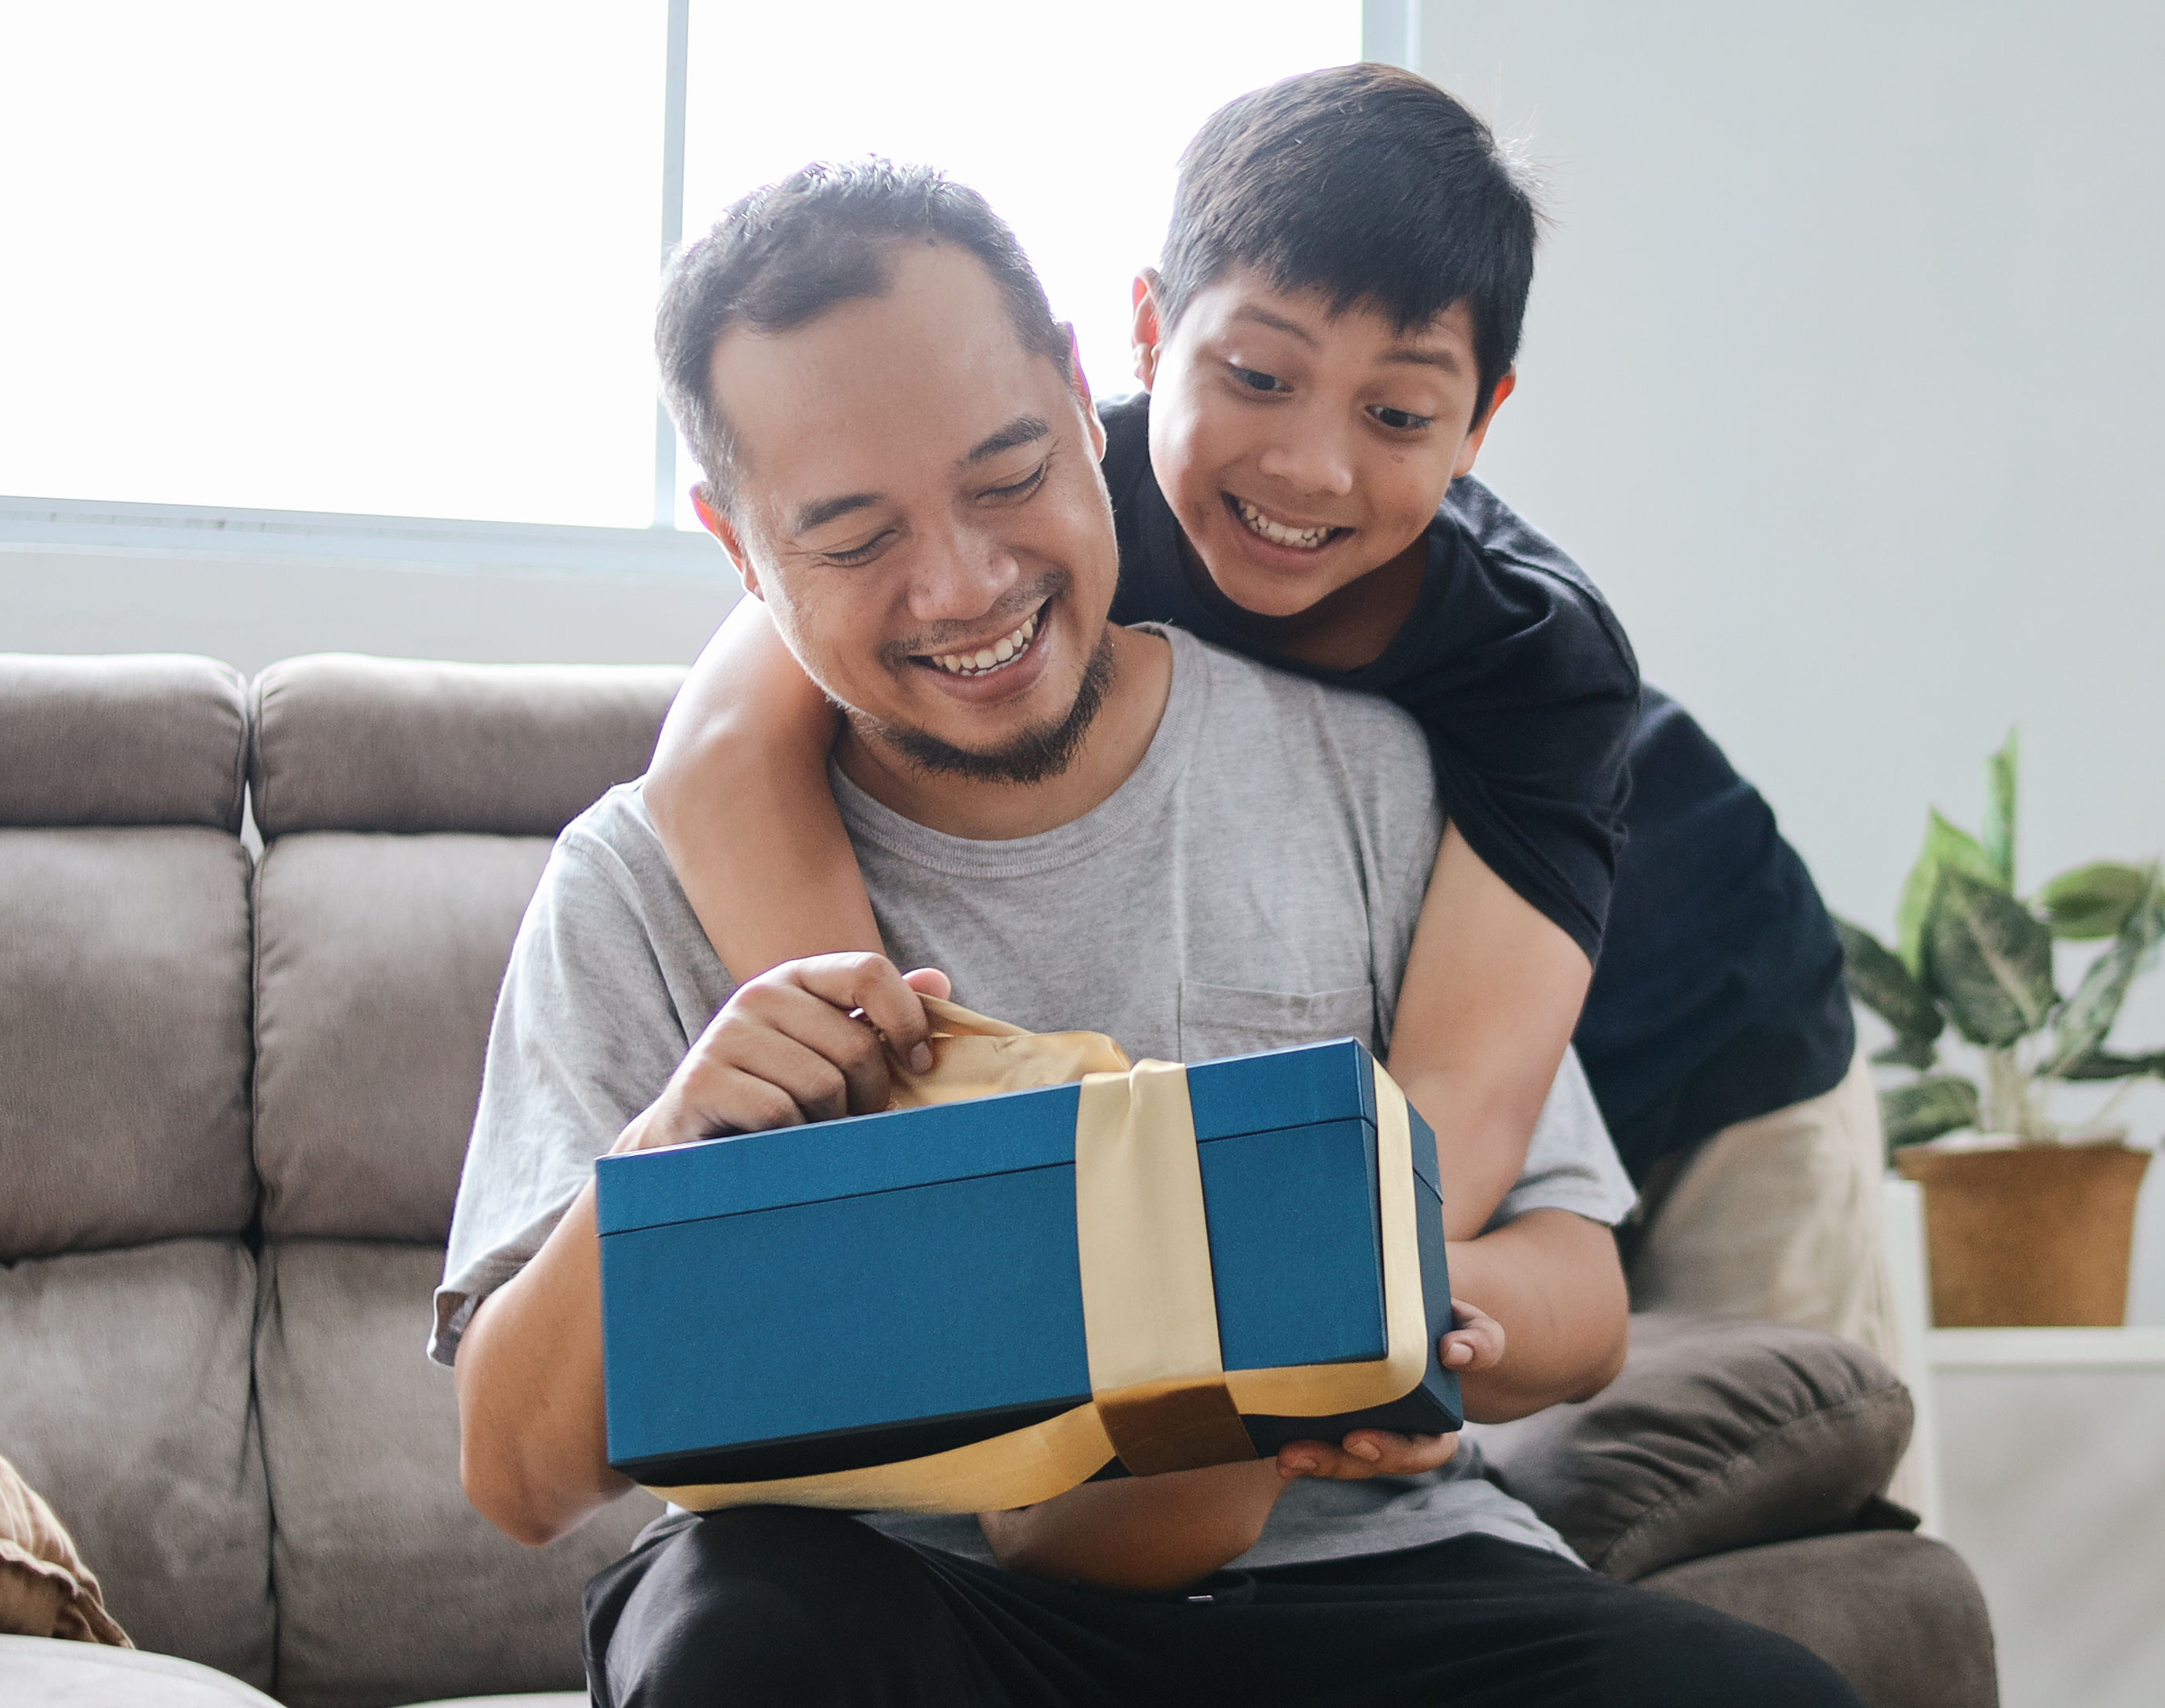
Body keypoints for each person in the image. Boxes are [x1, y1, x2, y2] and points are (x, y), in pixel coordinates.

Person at [436, 161, 1862, 1706]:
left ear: (1080, 392)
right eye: (851, 540)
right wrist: (665, 1170)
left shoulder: (1368, 769)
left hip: (1369, 1579)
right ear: (738, 549)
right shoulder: (637, 884)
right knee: (750, 1645)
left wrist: (1420, 1322)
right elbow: (518, 1477)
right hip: (895, 1599)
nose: (965, 584)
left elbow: (1573, 1281)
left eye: (1006, 477)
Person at [640, 65, 1891, 1359]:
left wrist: (1164, 1314)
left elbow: (1454, 1118)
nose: (1309, 464)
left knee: (1812, 1436)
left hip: (1709, 1016)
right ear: (1145, 334)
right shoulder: (1044, 489)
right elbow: (722, 751)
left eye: (1399, 412)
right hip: (1446, 1031)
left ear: (1479, 423)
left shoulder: (1543, 656)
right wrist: (915, 1126)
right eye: (1254, 375)